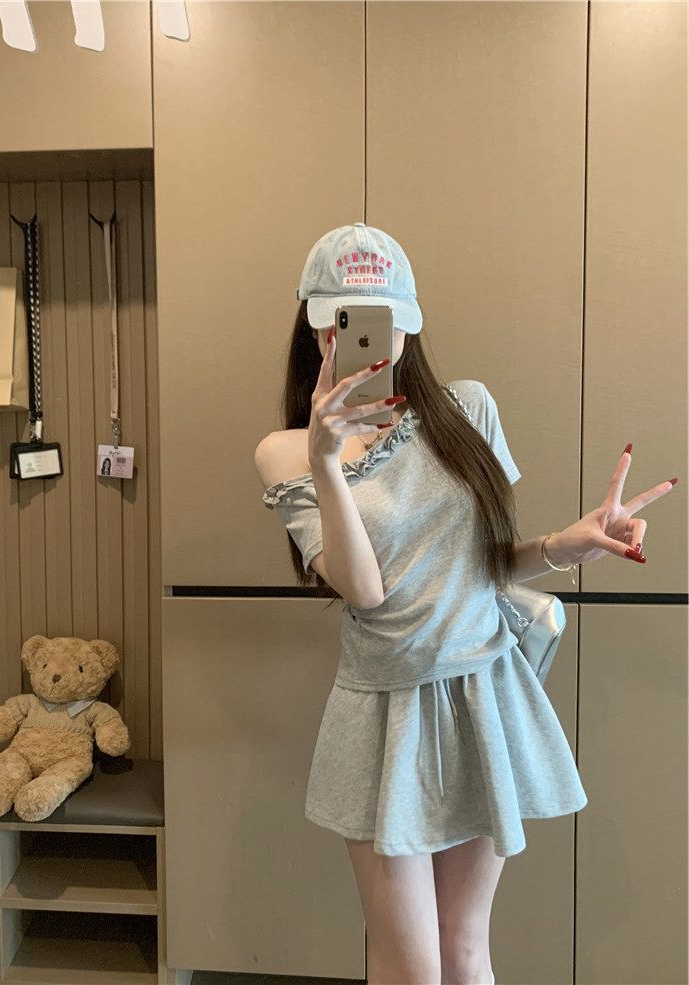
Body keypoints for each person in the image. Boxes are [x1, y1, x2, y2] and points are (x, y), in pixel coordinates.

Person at [254, 223, 678, 985]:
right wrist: (326, 457)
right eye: (339, 321)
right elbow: (365, 588)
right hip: (384, 712)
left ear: (409, 325)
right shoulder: (285, 450)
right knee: (409, 965)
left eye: (379, 319)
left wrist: (565, 544)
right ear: (314, 329)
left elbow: (482, 562)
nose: (358, 339)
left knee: (465, 949)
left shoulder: (467, 410)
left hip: (482, 691)